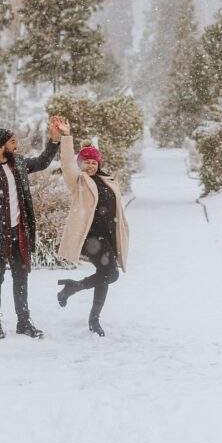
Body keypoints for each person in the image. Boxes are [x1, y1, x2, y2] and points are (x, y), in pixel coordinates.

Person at [0, 118, 65, 339]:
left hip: (20, 232)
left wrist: (55, 140)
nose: (16, 144)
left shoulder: (18, 164)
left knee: (21, 278)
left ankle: (23, 322)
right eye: (12, 142)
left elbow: (42, 162)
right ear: (0, 146)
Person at [53, 119, 130, 336]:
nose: (91, 165)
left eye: (94, 162)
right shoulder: (78, 182)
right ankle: (74, 288)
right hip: (91, 238)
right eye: (86, 162)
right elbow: (67, 164)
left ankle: (94, 319)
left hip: (109, 236)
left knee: (104, 273)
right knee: (111, 274)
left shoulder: (108, 180)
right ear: (81, 164)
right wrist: (66, 137)